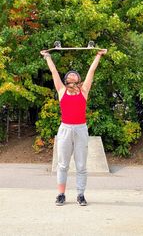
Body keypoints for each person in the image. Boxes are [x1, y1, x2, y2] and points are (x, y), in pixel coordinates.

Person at [40, 48, 107, 206]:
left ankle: (80, 195)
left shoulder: (83, 91)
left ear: (78, 78)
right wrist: (47, 56)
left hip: (80, 129)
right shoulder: (62, 91)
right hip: (65, 129)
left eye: (75, 73)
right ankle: (61, 195)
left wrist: (98, 55)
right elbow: (54, 71)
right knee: (62, 164)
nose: (72, 74)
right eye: (69, 74)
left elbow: (91, 71)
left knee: (81, 165)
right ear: (66, 79)